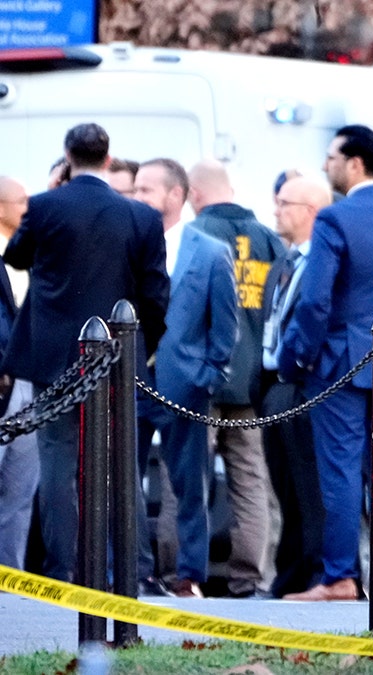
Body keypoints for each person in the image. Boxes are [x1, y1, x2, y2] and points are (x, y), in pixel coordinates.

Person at [2, 123, 170, 583]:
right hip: (116, 359)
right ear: (109, 158)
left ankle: (64, 570)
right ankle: (132, 570)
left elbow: (15, 257)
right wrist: (139, 350)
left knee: (58, 465)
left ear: (67, 157)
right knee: (121, 465)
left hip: (53, 360)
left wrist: (52, 192)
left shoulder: (44, 206)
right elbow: (156, 295)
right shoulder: (141, 217)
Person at [279, 124, 373, 602]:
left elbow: (314, 302)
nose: (325, 165)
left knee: (339, 470)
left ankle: (340, 577)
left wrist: (293, 358)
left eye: (332, 157)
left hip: (339, 362)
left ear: (355, 163)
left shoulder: (335, 219)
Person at [134, 158, 239, 598]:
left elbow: (225, 324)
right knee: (124, 477)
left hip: (185, 384)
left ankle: (189, 575)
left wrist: (208, 374)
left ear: (175, 196)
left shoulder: (210, 251)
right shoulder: (130, 245)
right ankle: (134, 569)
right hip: (133, 380)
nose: (136, 197)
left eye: (145, 190)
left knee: (190, 483)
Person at [188, 159, 286, 598]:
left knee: (189, 478)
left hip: (200, 380)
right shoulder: (267, 237)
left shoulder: (194, 236)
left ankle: (183, 576)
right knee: (250, 481)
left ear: (194, 194)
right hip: (251, 384)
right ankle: (250, 578)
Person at [262, 175, 332, 597]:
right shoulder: (283, 262)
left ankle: (313, 571)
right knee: (282, 487)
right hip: (274, 385)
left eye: (285, 203)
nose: (276, 210)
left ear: (310, 212)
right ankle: (287, 574)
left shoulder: (319, 263)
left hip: (303, 386)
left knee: (309, 488)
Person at [0, 176, 36, 570]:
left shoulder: (29, 257)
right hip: (3, 383)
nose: (29, 208)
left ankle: (10, 577)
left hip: (32, 385)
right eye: (23, 201)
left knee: (20, 488)